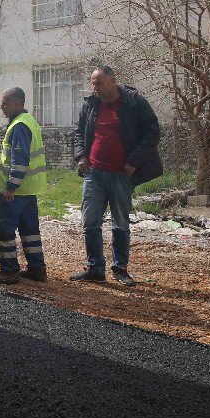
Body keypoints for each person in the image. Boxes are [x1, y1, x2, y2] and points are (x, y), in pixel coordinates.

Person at [71, 65, 161, 286]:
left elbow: (153, 131)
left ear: (112, 81)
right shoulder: (91, 104)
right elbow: (77, 131)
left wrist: (134, 161)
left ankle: (120, 268)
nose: (95, 87)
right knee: (90, 222)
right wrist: (81, 156)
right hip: (94, 173)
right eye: (92, 83)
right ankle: (95, 268)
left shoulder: (133, 102)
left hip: (121, 174)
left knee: (120, 223)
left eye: (99, 83)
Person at [0, 88, 47, 285]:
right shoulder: (29, 121)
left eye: (5, 103)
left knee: (3, 228)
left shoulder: (19, 125)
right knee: (29, 229)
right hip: (29, 189)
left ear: (17, 104)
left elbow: (19, 161)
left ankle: (9, 270)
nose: (2, 106)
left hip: (17, 190)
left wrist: (11, 187)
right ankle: (37, 268)